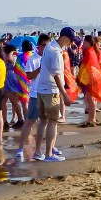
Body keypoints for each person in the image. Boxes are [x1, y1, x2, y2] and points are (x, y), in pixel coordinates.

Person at [30, 28, 72, 162]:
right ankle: (48, 154)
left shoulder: (49, 46)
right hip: (51, 91)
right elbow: (56, 75)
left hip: (41, 90)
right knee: (52, 122)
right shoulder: (55, 52)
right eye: (70, 40)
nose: (71, 43)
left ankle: (38, 152)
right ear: (65, 38)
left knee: (43, 121)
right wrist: (64, 94)